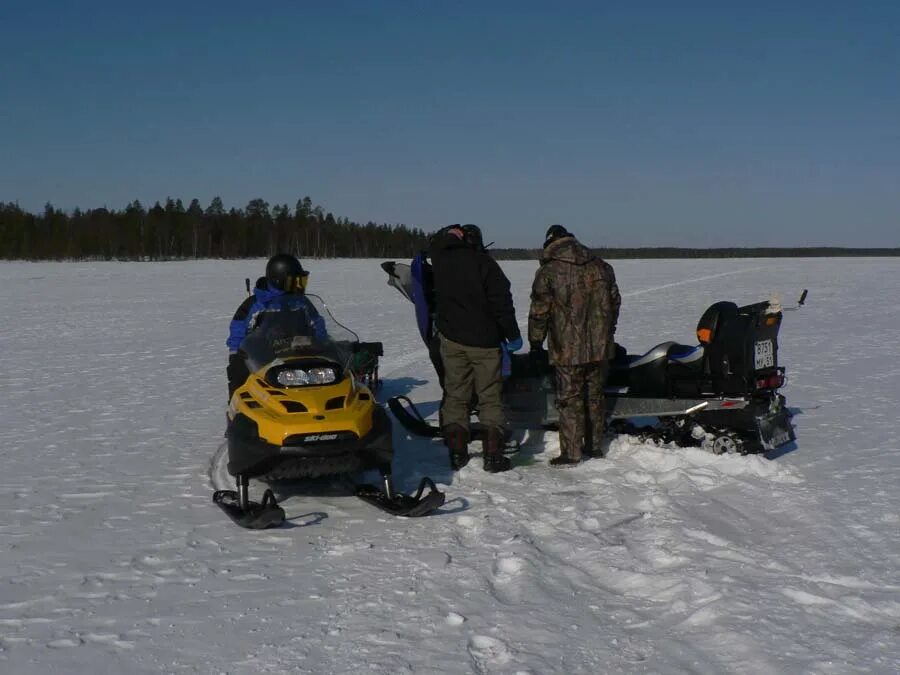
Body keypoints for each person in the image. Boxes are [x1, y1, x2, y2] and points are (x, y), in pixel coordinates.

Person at [429, 224, 523, 473]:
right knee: (489, 396)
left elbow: (434, 243)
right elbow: (502, 304)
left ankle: (457, 454)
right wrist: (512, 335)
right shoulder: (486, 265)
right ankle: (492, 456)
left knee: (456, 394)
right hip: (485, 342)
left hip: (452, 340)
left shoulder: (441, 260)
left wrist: (450, 234)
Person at [528, 225, 621, 465]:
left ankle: (571, 453)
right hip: (600, 347)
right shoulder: (601, 266)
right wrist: (607, 333)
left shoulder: (549, 272)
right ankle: (594, 445)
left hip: (567, 348)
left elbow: (540, 311)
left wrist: (536, 342)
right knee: (595, 396)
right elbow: (615, 303)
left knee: (569, 399)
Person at [225, 253, 322, 398]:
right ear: (280, 280)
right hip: (263, 357)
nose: (299, 285)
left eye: (301, 281)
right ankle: (239, 412)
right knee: (239, 376)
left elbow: (317, 323)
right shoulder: (256, 304)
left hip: (299, 351)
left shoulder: (302, 302)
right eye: (294, 281)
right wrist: (236, 355)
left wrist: (323, 343)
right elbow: (238, 329)